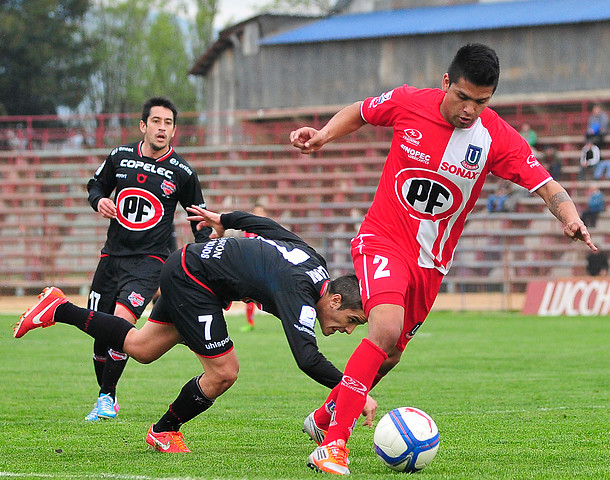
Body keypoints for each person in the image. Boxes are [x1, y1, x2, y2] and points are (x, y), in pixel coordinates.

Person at [290, 42, 597, 475]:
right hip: (384, 239)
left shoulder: (496, 136)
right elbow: (360, 110)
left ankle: (323, 418)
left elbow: (548, 186)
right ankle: (334, 444)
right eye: (464, 97)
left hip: (431, 265)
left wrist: (570, 216)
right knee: (385, 329)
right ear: (446, 82)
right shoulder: (408, 102)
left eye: (482, 101)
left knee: (392, 352)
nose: (471, 110)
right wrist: (324, 134)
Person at [13, 207, 375, 453]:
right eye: (352, 321)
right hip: (195, 279)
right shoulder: (299, 291)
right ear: (336, 301)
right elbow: (307, 359)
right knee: (223, 372)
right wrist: (353, 390)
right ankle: (164, 430)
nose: (348, 330)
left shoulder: (315, 264)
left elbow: (268, 227)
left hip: (191, 265)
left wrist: (225, 218)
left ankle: (59, 308)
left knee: (142, 348)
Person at [83, 97, 212, 422]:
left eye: (168, 123)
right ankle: (106, 393)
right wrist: (99, 201)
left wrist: (204, 250)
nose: (162, 128)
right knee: (100, 333)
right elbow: (95, 185)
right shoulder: (120, 156)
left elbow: (198, 216)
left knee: (122, 322)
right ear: (143, 126)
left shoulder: (182, 171)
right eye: (156, 121)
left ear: (173, 130)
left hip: (150, 262)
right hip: (111, 257)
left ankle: (106, 397)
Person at [241, 203, 267, 332]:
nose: (258, 215)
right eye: (255, 212)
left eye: (260, 212)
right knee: (249, 295)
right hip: (251, 267)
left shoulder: (268, 230)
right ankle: (250, 322)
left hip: (265, 267)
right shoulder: (248, 231)